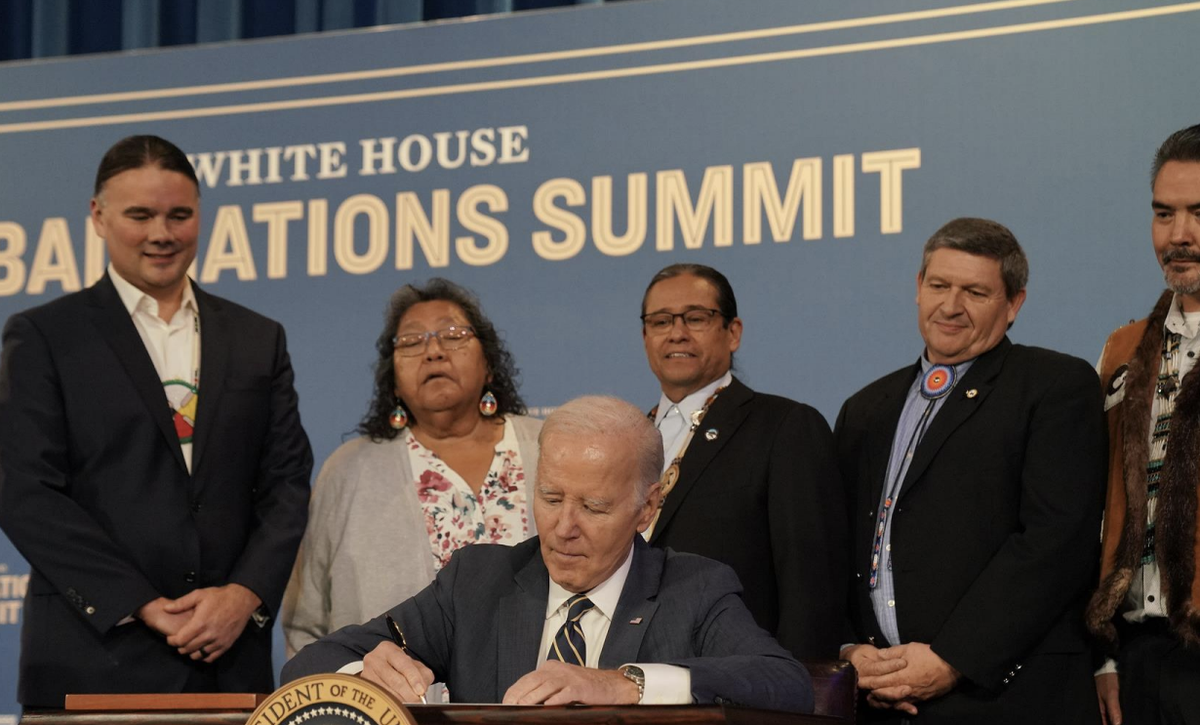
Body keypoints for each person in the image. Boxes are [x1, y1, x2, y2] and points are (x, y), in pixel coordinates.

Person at [0, 135, 313, 705]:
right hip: (90, 660)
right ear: (98, 216)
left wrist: (243, 595)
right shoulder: (45, 336)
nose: (161, 234)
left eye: (179, 215)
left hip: (228, 662)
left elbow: (287, 485)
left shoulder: (256, 338)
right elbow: (26, 492)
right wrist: (140, 604)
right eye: (139, 215)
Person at [281, 395, 814, 713]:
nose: (563, 528)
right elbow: (310, 664)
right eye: (551, 498)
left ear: (648, 507)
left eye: (595, 508)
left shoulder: (694, 589)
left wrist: (624, 683)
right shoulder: (478, 580)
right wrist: (364, 672)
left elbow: (785, 685)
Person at [835, 218, 1106, 723]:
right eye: (939, 285)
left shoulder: (1055, 385)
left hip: (1008, 699)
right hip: (883, 701)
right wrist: (853, 651)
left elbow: (1056, 541)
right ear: (918, 288)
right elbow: (838, 542)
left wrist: (954, 658)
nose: (951, 306)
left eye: (975, 292)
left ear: (1014, 304)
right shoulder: (865, 408)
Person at [282, 279, 541, 660]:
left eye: (453, 336)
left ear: (488, 365)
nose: (434, 351)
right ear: (394, 383)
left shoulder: (547, 446)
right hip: (393, 708)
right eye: (412, 342)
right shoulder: (349, 471)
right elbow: (307, 624)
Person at [637, 263, 846, 659]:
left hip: (736, 681)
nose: (677, 332)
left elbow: (812, 588)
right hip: (629, 676)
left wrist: (793, 692)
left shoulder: (784, 427)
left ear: (733, 333)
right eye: (661, 321)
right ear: (645, 335)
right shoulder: (627, 438)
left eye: (696, 318)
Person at [1087, 123, 1200, 725]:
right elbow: (1098, 506)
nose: (1178, 235)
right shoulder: (1124, 348)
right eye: (1163, 213)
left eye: (1199, 212)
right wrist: (1104, 660)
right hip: (1136, 654)